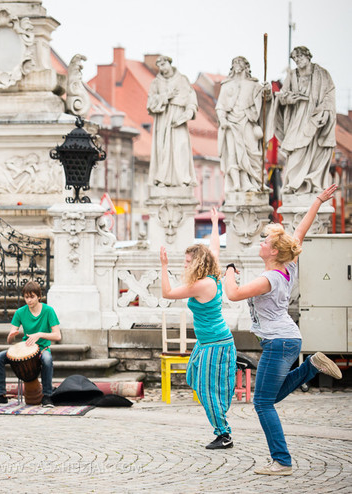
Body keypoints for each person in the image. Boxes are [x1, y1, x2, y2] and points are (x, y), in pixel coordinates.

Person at [224, 184, 342, 476]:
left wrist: (227, 272)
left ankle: (282, 461)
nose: (261, 244)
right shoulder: (288, 265)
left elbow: (234, 294)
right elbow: (298, 234)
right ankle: (310, 366)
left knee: (263, 404)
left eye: (265, 242)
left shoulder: (269, 278)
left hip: (279, 341)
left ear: (274, 251)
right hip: (288, 339)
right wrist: (317, 200)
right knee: (270, 397)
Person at [159, 207, 237, 449]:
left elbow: (167, 293)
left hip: (216, 342)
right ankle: (221, 417)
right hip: (206, 342)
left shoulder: (203, 284)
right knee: (193, 376)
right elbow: (214, 247)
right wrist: (215, 223)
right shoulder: (212, 273)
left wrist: (164, 265)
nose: (184, 266)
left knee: (206, 389)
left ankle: (224, 434)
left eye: (187, 262)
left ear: (198, 264)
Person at [0, 281, 61, 408]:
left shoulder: (48, 311)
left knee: (47, 360)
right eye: (26, 297)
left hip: (43, 348)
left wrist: (39, 334)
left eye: (32, 297)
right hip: (26, 348)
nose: (29, 300)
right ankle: (0, 396)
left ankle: (47, 396)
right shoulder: (20, 312)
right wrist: (11, 336)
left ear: (39, 296)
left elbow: (57, 335)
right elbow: (10, 340)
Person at [272, 46, 336, 195]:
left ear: (308, 56)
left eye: (300, 57)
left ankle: (311, 183)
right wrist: (289, 99)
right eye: (295, 58)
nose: (297, 60)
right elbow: (283, 96)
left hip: (315, 116)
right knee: (295, 149)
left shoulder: (322, 74)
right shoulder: (292, 75)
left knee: (314, 149)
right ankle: (294, 184)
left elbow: (329, 94)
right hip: (297, 117)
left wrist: (326, 113)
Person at [216, 56, 270, 192]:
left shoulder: (254, 85)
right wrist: (222, 119)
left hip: (248, 121)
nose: (237, 65)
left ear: (246, 67)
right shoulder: (226, 85)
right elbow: (220, 106)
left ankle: (257, 182)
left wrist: (267, 92)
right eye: (234, 63)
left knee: (253, 153)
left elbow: (265, 101)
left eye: (240, 62)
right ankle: (237, 184)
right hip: (230, 124)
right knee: (232, 156)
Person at [146, 55, 198, 187]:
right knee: (163, 149)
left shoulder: (182, 80)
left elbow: (191, 98)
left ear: (170, 63)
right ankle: (163, 179)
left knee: (181, 147)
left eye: (164, 64)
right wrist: (165, 97)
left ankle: (183, 179)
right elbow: (150, 102)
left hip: (178, 118)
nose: (162, 68)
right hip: (163, 119)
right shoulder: (156, 83)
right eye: (159, 66)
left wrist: (190, 111)